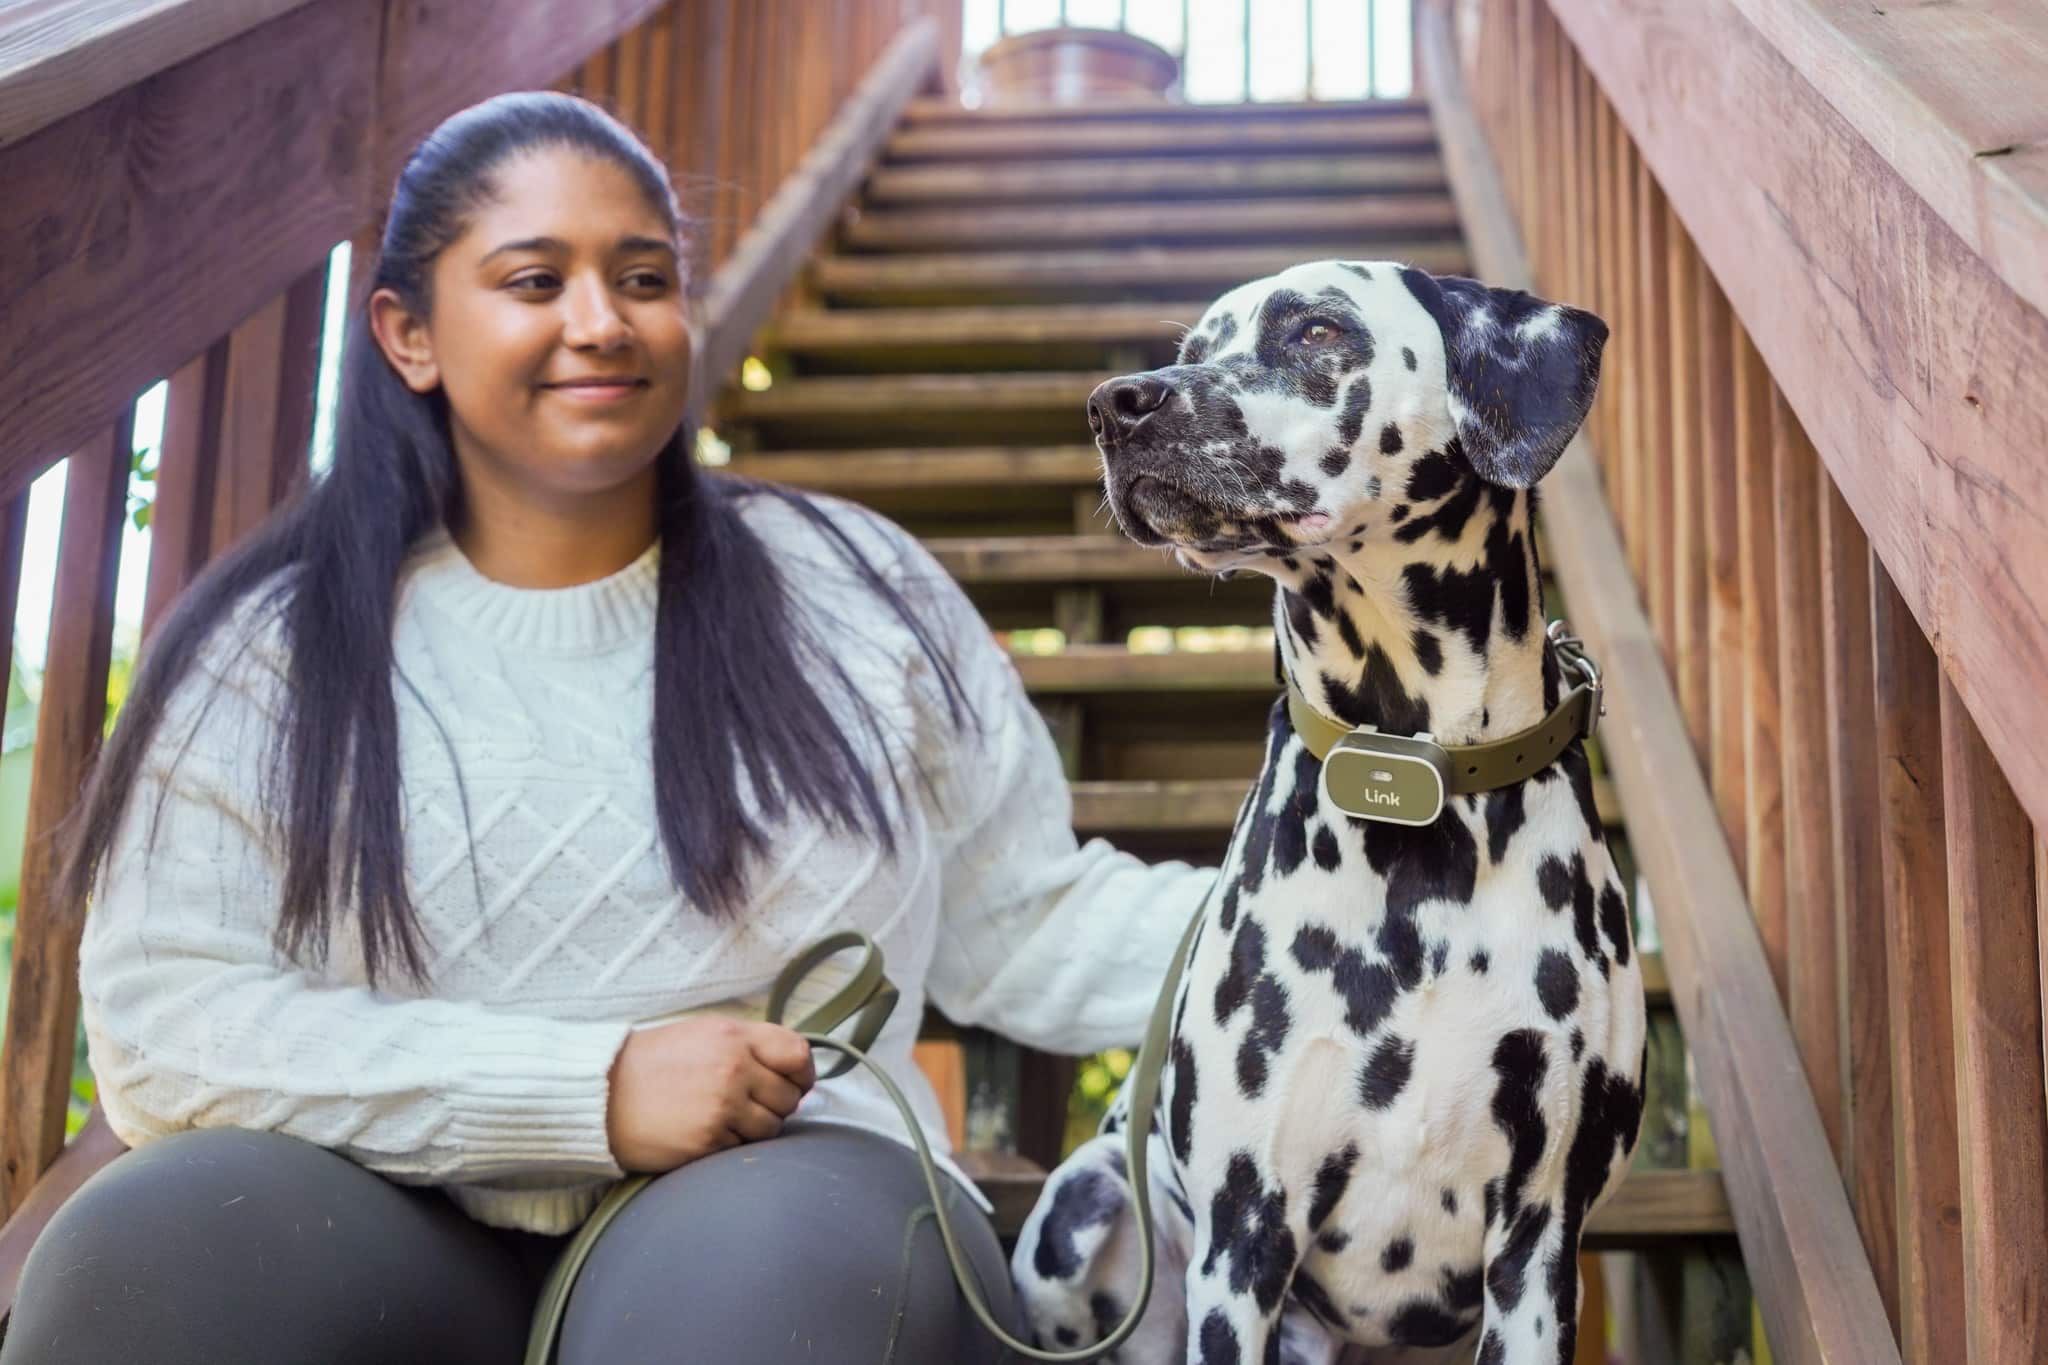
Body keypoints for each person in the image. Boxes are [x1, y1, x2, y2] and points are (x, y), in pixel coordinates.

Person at [1, 91, 1210, 1365]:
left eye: (642, 277)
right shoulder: (273, 643)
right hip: (373, 1212)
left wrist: (1365, 917)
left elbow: (1024, 921)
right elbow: (169, 1018)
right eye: (534, 280)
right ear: (408, 334)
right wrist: (589, 1092)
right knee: (151, 1255)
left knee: (778, 1298)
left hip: (787, 1198)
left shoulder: (855, 588)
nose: (600, 322)